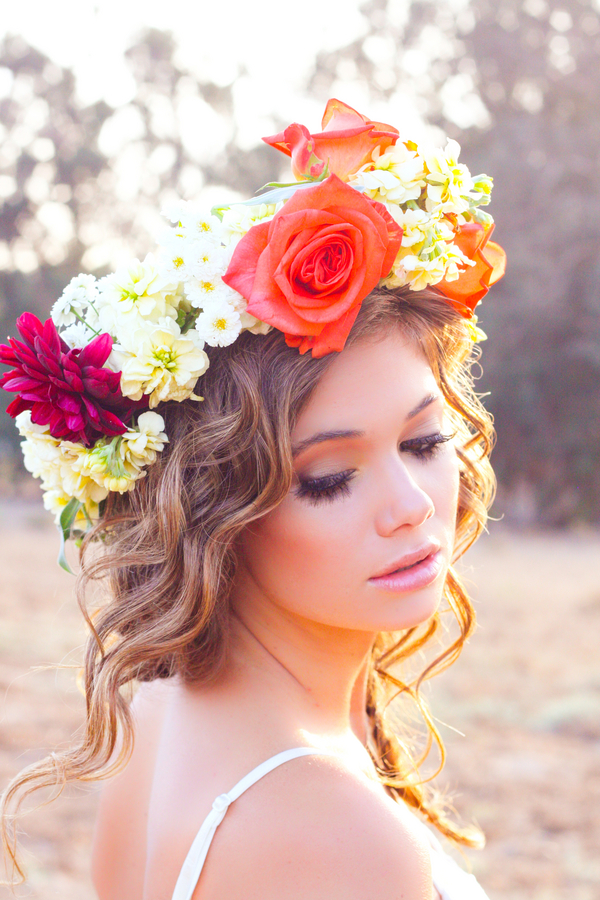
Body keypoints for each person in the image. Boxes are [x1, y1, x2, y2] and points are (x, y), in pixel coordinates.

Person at [0, 99, 505, 899]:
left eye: (423, 442)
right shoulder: (332, 837)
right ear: (213, 513)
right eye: (328, 478)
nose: (411, 503)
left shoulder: (161, 718)